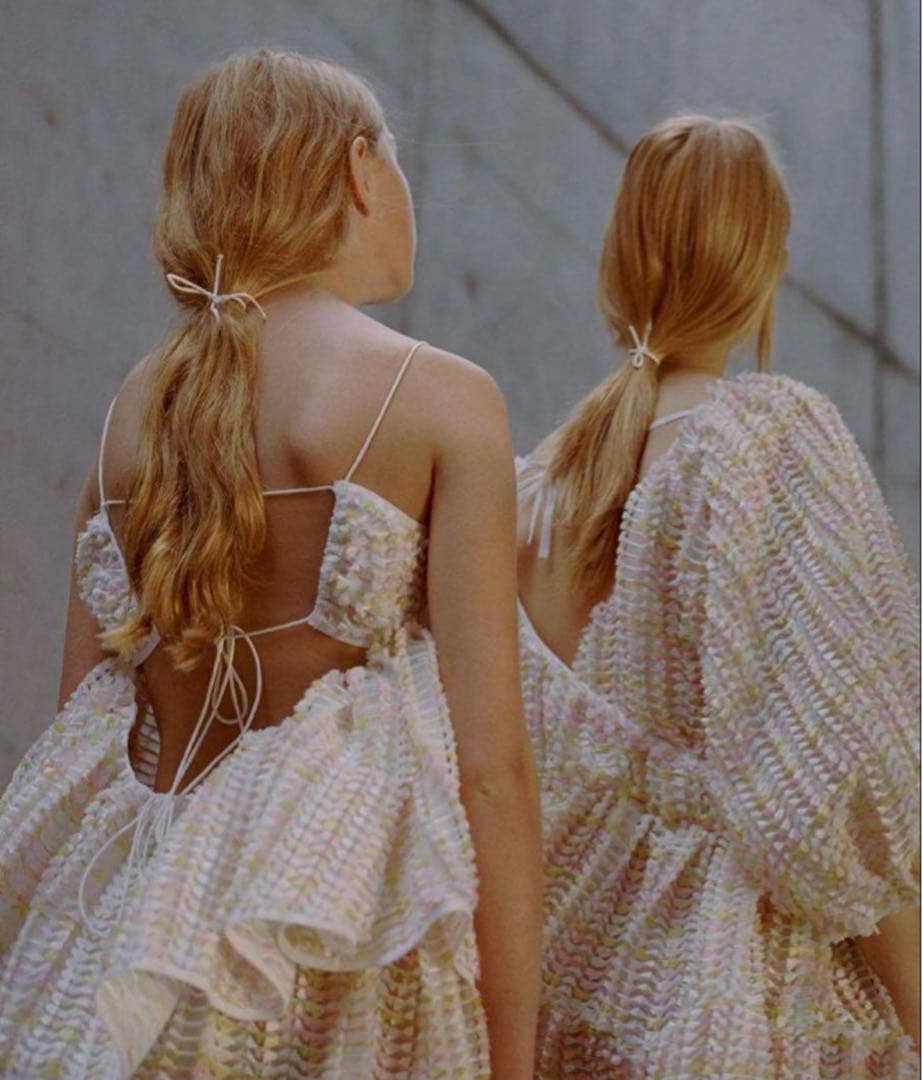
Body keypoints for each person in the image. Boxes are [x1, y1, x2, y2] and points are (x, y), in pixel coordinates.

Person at [0, 48, 542, 1079]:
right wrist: (515, 1056)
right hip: (324, 979)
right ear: (357, 168)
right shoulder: (439, 397)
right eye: (396, 157)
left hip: (119, 971)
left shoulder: (129, 416)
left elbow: (80, 738)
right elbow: (493, 776)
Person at [517, 114, 920, 1077]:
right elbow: (838, 792)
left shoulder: (532, 486)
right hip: (738, 998)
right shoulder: (766, 442)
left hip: (558, 973)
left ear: (618, 259)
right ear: (762, 267)